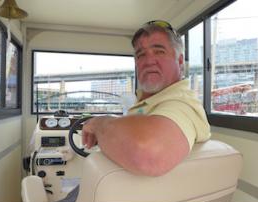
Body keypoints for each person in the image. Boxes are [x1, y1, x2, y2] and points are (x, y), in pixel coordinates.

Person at [81, 20, 210, 177]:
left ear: (180, 61)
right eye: (141, 55)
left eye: (159, 51)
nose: (148, 61)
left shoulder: (182, 105)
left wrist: (98, 124)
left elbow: (149, 154)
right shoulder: (153, 103)